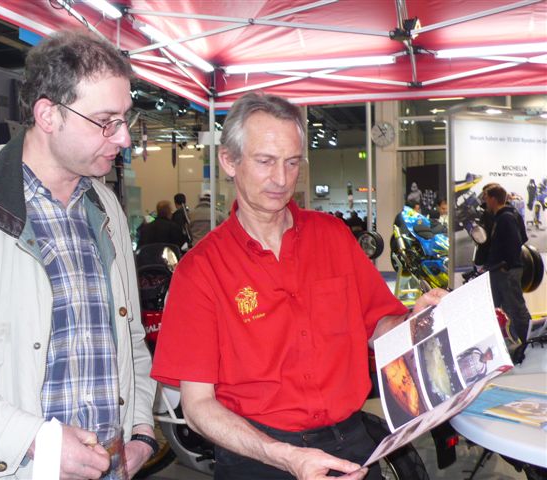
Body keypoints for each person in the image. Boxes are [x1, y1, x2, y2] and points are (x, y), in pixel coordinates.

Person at [151, 92, 445, 480]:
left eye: (292, 163)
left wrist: (416, 321)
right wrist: (287, 457)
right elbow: (197, 406)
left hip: (352, 444)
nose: (281, 178)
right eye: (265, 161)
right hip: (256, 456)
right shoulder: (200, 270)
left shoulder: (333, 237)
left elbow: (378, 326)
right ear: (229, 161)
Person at [0, 31, 157, 479]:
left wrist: (140, 429)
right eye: (106, 121)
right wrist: (31, 441)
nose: (123, 138)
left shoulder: (105, 208)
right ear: (48, 115)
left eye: (125, 119)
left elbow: (130, 337)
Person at [482, 184, 531, 344]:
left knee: (516, 309)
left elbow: (516, 242)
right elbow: (523, 238)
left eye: (486, 198)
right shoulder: (509, 215)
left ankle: (529, 341)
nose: (485, 202)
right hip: (501, 270)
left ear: (493, 199)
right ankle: (514, 342)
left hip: (506, 271)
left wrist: (507, 264)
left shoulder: (506, 218)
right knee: (505, 309)